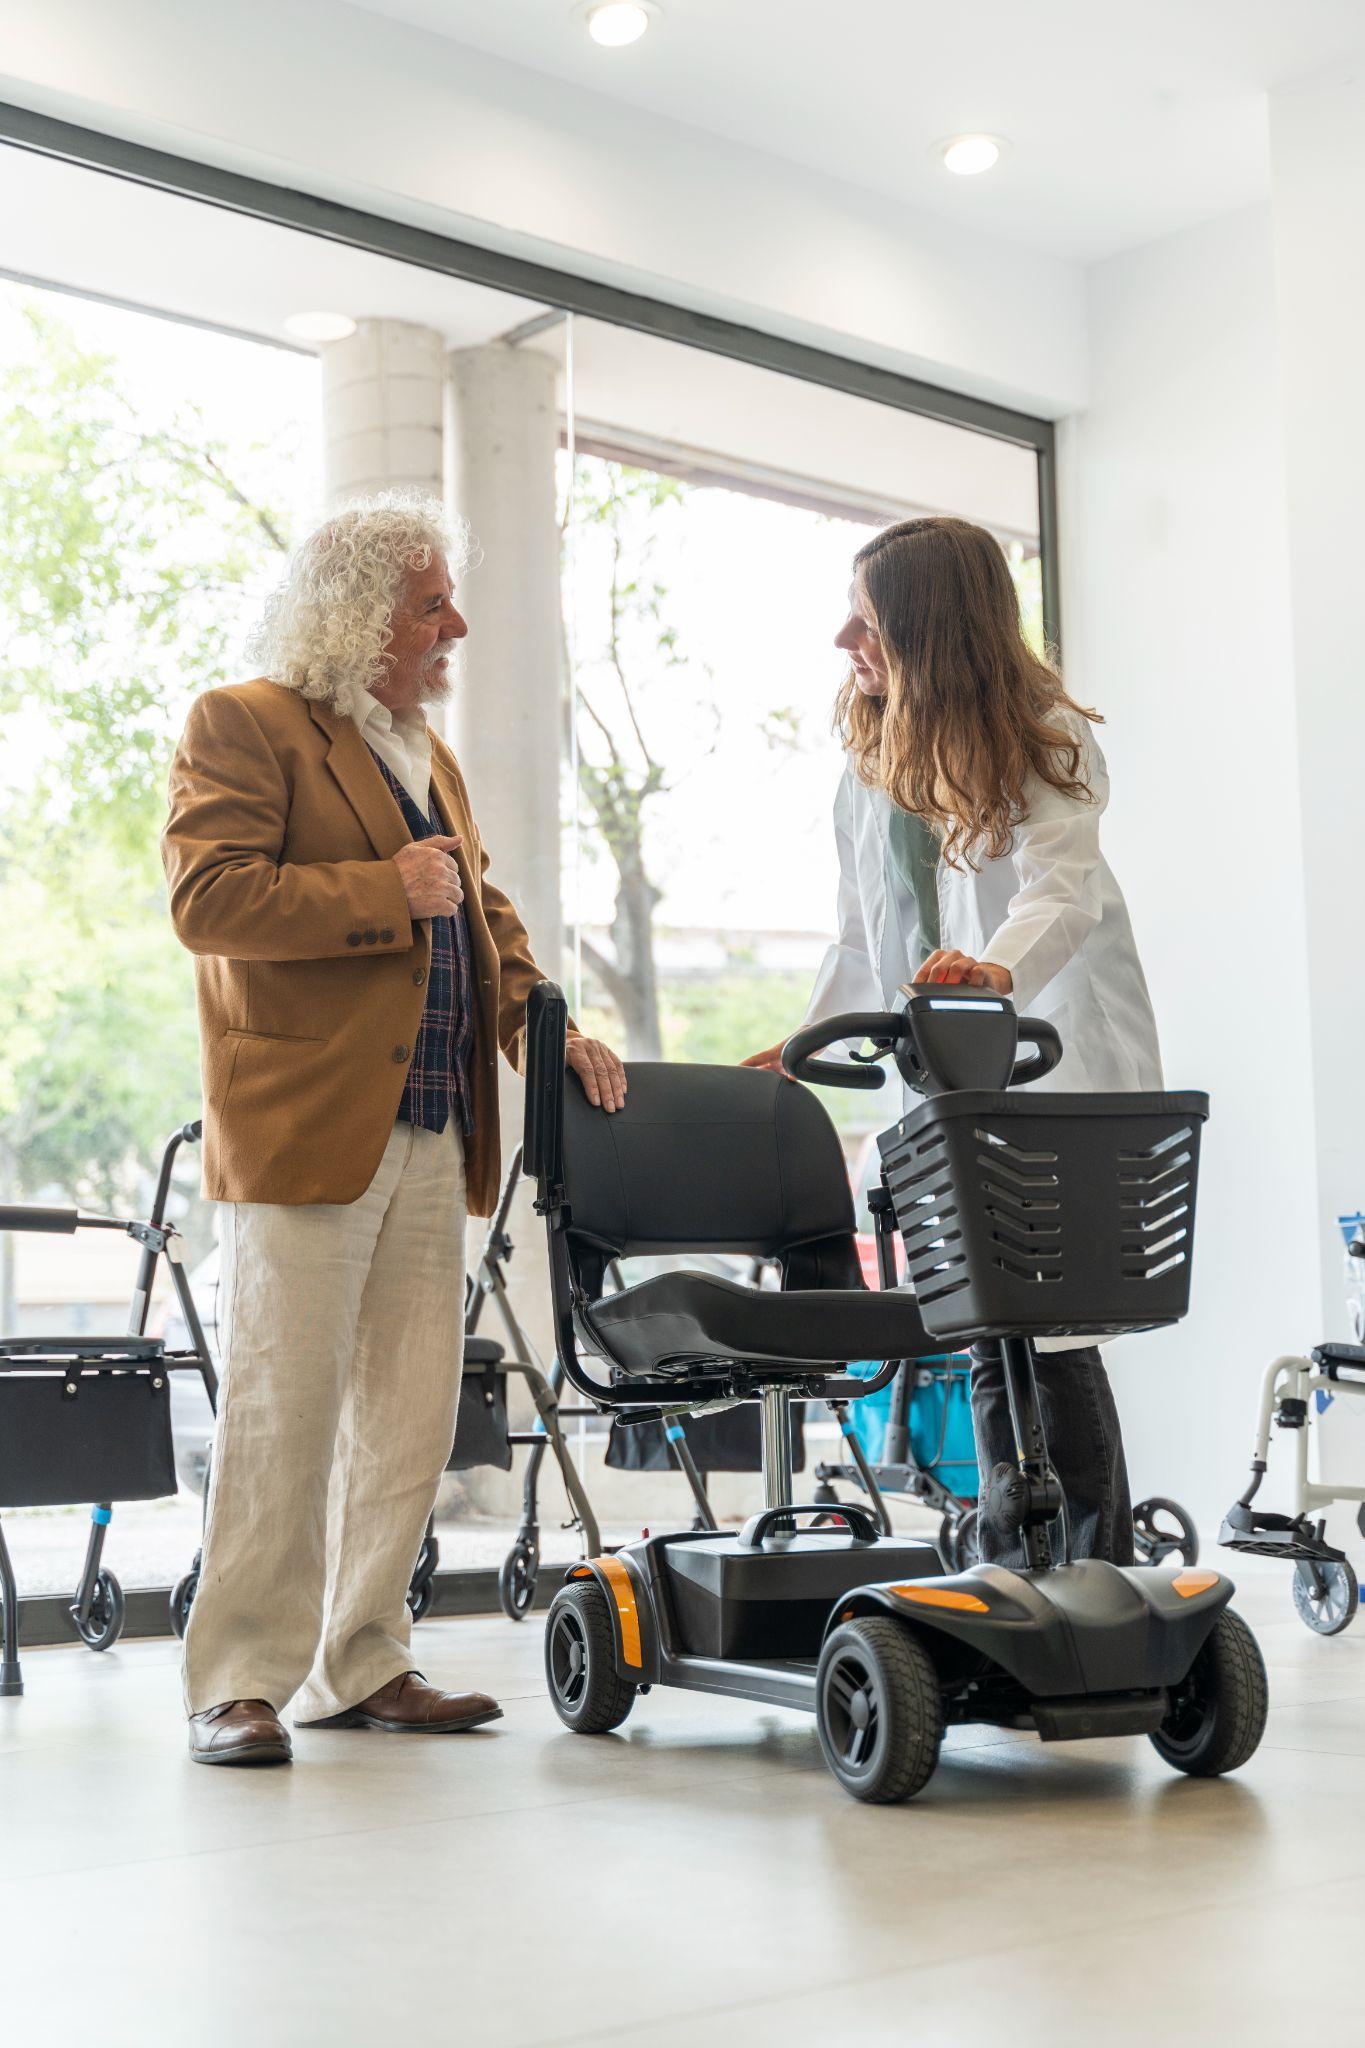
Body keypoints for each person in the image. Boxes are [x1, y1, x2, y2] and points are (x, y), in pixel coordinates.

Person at [162, 494, 626, 1765]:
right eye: (431, 605)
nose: (454, 626)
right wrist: (385, 887)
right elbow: (208, 898)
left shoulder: (431, 757)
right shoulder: (243, 721)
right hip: (307, 1127)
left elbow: (488, 919)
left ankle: (362, 1660)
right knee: (284, 1408)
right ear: (359, 614)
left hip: (434, 1127)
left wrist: (545, 1028)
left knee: (410, 1412)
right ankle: (236, 1678)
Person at [744, 515, 1161, 1567]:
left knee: (1048, 1330)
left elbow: (1060, 889)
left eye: (868, 618)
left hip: (1048, 1056)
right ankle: (1016, 1568)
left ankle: (1086, 1572)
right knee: (982, 1326)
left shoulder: (1041, 732)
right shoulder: (868, 768)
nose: (845, 639)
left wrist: (991, 976)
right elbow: (864, 939)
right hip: (941, 1082)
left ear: (931, 625)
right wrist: (798, 1046)